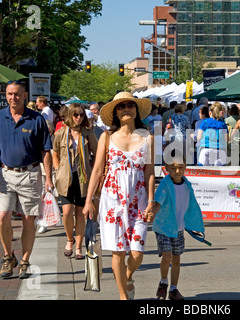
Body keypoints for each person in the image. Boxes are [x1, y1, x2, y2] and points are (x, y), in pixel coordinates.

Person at [82, 91, 155, 300]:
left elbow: (149, 172)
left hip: (138, 201)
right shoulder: (106, 136)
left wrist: (151, 201)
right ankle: (123, 296)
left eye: (129, 105)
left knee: (137, 253)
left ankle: (128, 275)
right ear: (115, 112)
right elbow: (97, 170)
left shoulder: (147, 137)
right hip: (112, 200)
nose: (126, 109)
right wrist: (89, 201)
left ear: (136, 109)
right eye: (121, 106)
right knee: (118, 251)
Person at [0, 80, 54, 279]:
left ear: (24, 96)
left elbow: (45, 151)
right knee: (3, 215)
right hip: (6, 174)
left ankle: (24, 260)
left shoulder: (36, 119)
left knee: (29, 219)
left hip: (30, 174)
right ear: (6, 95)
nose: (12, 97)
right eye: (9, 94)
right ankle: (8, 257)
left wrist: (48, 178)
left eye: (16, 94)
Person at [146, 153, 204, 300]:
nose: (177, 171)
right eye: (173, 168)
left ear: (185, 167)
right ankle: (163, 283)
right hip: (164, 227)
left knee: (176, 259)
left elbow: (192, 207)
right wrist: (152, 213)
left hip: (178, 227)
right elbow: (157, 203)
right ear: (166, 169)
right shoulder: (165, 185)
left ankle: (173, 289)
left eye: (180, 168)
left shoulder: (187, 185)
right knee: (168, 256)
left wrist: (193, 224)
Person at [53, 103, 98, 259]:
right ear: (70, 116)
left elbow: (97, 154)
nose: (79, 118)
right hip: (65, 178)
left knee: (80, 213)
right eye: (76, 115)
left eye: (81, 115)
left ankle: (78, 246)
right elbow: (55, 153)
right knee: (66, 212)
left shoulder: (88, 134)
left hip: (83, 178)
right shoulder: (61, 133)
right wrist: (58, 170)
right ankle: (69, 240)